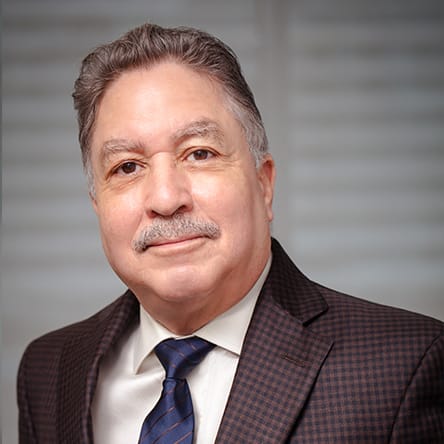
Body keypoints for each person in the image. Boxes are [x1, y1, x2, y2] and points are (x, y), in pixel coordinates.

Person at [17, 23, 443, 444]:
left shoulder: (405, 367)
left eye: (199, 153)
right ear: (98, 205)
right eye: (127, 166)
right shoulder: (49, 370)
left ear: (263, 184)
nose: (165, 199)